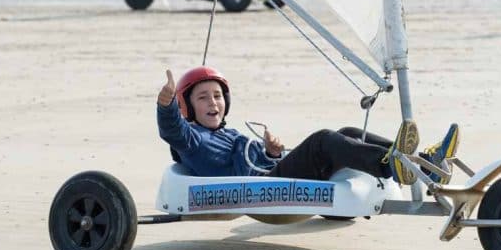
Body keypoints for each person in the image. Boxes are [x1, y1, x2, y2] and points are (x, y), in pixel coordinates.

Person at [157, 66, 459, 184]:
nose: (214, 103)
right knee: (323, 140)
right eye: (203, 98)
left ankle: (423, 163)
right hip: (261, 188)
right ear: (187, 106)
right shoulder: (192, 138)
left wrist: (272, 153)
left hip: (271, 172)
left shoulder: (229, 133)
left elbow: (257, 161)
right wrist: (167, 103)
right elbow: (172, 130)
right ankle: (392, 165)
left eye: (218, 96)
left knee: (349, 134)